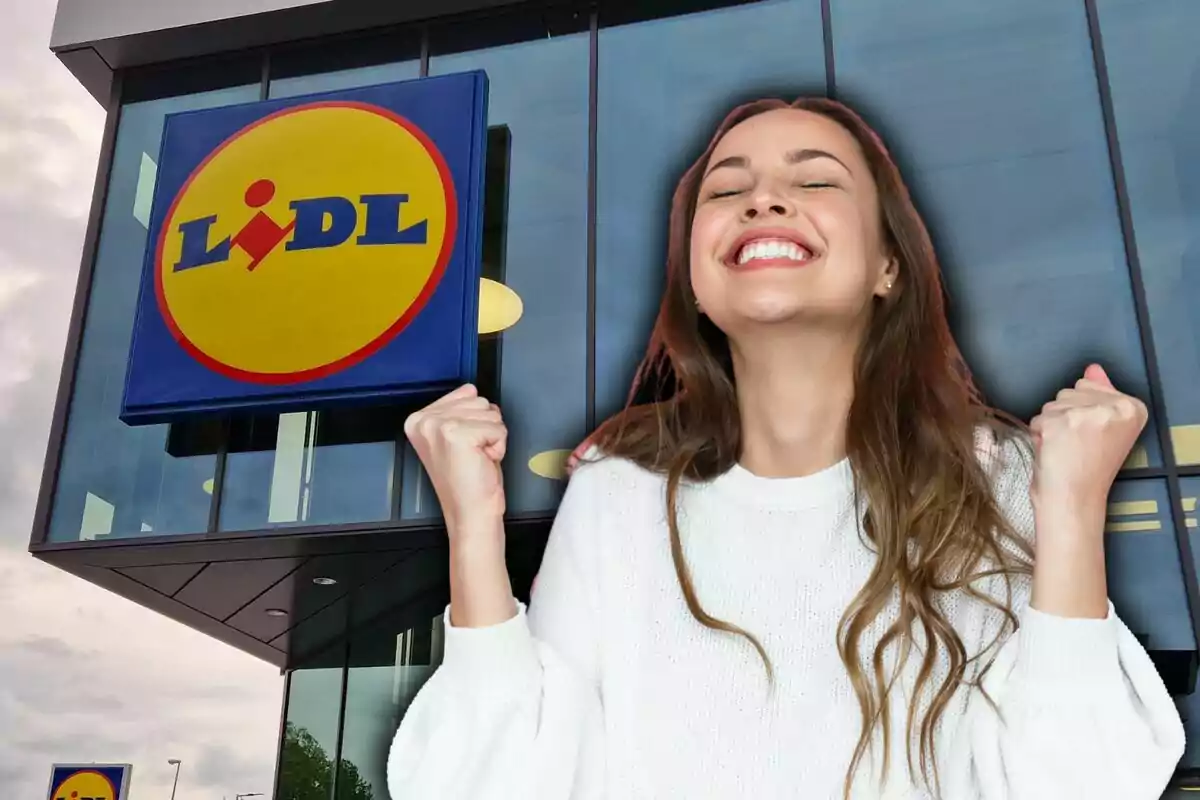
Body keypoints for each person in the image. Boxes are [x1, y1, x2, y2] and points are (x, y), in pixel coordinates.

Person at [387, 98, 1185, 799]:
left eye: (815, 181)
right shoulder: (620, 488)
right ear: (696, 279)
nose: (763, 200)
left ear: (888, 266)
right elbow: (505, 786)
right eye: (727, 190)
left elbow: (1078, 784)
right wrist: (473, 530)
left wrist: (1074, 508)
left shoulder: (996, 475)